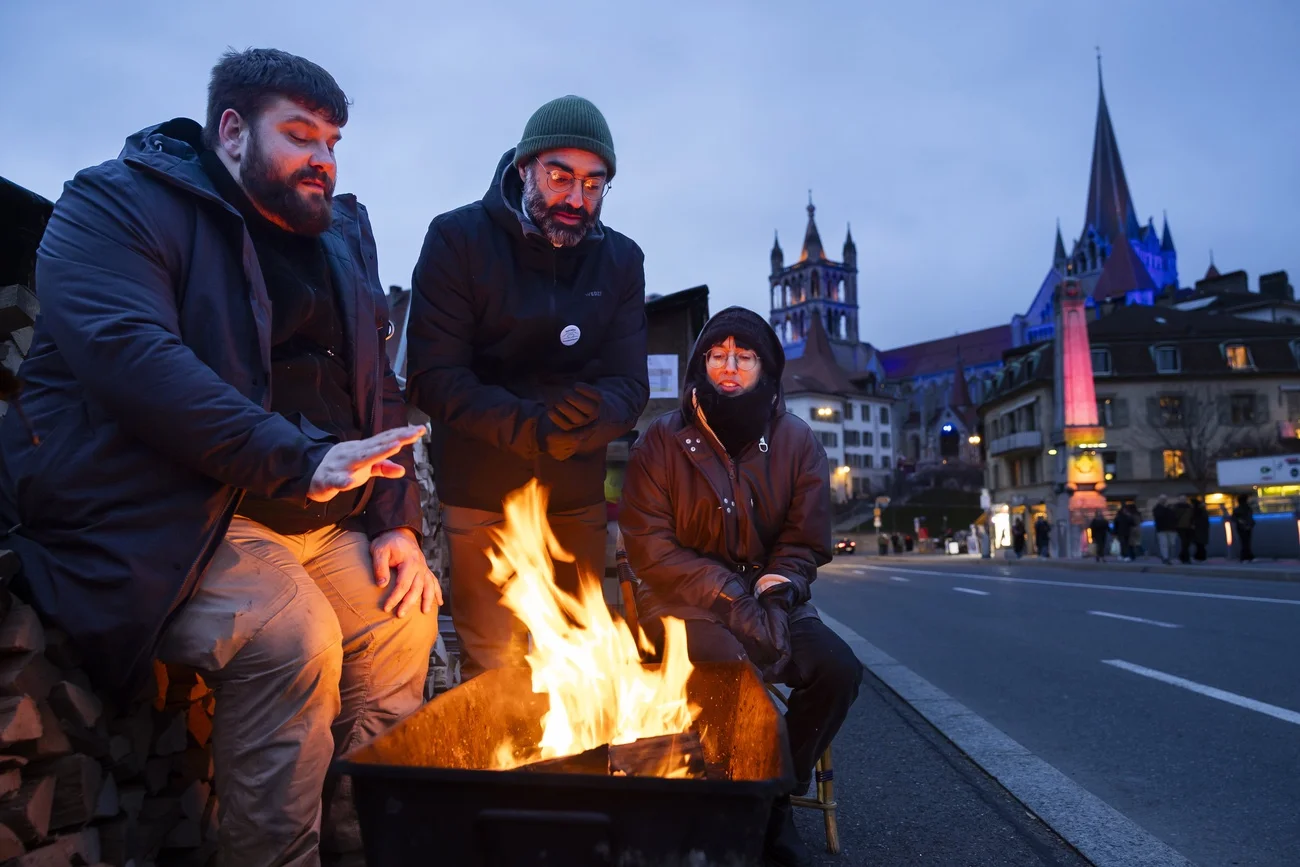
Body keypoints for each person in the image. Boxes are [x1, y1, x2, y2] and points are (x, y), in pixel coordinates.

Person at [0, 49, 439, 865]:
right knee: (291, 634)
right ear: (231, 131)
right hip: (170, 511)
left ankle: (363, 840)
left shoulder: (339, 239)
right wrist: (296, 457)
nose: (323, 160)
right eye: (301, 134)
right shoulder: (116, 205)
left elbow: (376, 392)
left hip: (306, 515)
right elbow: (138, 363)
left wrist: (395, 522)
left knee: (402, 616)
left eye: (333, 141)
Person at [406, 95, 649, 678]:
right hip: (480, 490)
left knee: (581, 652)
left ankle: (576, 768)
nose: (576, 199)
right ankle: (504, 768)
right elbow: (433, 375)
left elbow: (630, 382)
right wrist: (528, 427)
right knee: (497, 661)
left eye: (594, 185)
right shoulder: (458, 239)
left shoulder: (620, 260)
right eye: (560, 176)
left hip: (575, 491)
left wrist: (598, 415)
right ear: (524, 168)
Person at [620, 308, 862, 867]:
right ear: (701, 363)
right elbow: (650, 546)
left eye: (744, 356)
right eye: (718, 355)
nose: (729, 367)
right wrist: (728, 593)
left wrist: (780, 585)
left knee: (837, 670)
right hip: (684, 601)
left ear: (765, 367)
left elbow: (805, 540)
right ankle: (756, 814)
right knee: (729, 669)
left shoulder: (797, 441)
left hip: (770, 596)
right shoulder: (662, 440)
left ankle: (772, 794)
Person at [1153, 495, 1177, 564]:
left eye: (1164, 499)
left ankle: (1167, 557)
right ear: (1159, 500)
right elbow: (1159, 516)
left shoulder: (1168, 508)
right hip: (1162, 529)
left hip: (1170, 529)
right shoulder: (1157, 509)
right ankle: (1165, 558)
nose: (1163, 500)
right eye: (1162, 499)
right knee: (1164, 544)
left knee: (1170, 544)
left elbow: (1173, 517)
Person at [1232, 494, 1256, 562]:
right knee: (1247, 541)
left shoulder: (1237, 509)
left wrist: (1240, 521)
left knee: (1243, 542)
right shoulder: (1248, 508)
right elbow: (1250, 517)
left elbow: (1234, 518)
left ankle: (1244, 556)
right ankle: (1248, 556)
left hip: (1241, 527)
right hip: (1248, 526)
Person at [1174, 496, 1195, 564]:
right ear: (1179, 500)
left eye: (1184, 499)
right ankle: (1186, 558)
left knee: (1187, 543)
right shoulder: (1176, 507)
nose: (1183, 500)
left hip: (1189, 527)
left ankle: (1181, 556)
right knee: (1184, 542)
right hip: (1180, 527)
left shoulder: (1190, 507)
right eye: (1182, 499)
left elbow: (1193, 516)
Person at [1191, 496, 1210, 562]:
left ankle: (1199, 557)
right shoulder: (1203, 511)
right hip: (1203, 530)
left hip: (1197, 530)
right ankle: (1201, 557)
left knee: (1198, 544)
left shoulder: (1195, 511)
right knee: (1201, 544)